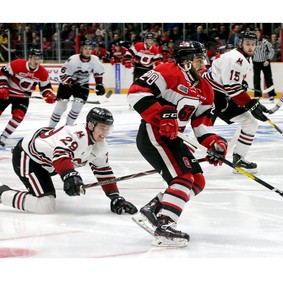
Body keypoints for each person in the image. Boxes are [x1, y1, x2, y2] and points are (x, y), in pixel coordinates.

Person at [128, 41, 228, 247]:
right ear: (185, 62)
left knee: (197, 180)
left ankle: (153, 210)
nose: (204, 65)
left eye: (205, 59)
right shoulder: (168, 72)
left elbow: (202, 126)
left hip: (175, 138)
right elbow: (136, 92)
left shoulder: (205, 90)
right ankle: (165, 226)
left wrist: (215, 143)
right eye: (199, 60)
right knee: (183, 178)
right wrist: (161, 115)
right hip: (153, 134)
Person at [0, 107, 137, 215]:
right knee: (44, 205)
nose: (105, 133)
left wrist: (115, 197)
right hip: (29, 158)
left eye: (108, 128)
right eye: (102, 128)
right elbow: (61, 156)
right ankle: (2, 193)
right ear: (90, 125)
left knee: (46, 199)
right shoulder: (77, 134)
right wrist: (70, 175)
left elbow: (103, 170)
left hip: (48, 164)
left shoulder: (101, 145)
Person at [202, 29, 269, 174]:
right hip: (211, 94)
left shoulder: (243, 58)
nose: (251, 47)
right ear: (240, 44)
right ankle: (180, 158)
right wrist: (252, 105)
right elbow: (231, 87)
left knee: (250, 122)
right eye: (247, 44)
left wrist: (248, 98)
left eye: (253, 44)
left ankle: (239, 159)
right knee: (202, 130)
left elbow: (233, 84)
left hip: (223, 95)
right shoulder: (236, 59)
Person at [0, 49, 56, 147]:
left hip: (22, 97)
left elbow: (45, 88)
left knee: (18, 117)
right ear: (29, 58)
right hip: (7, 93)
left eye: (39, 59)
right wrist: (3, 87)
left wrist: (48, 95)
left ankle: (3, 137)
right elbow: (2, 73)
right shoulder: (17, 64)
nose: (36, 61)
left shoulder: (42, 72)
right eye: (35, 58)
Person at [48, 40, 106, 128]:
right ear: (81, 49)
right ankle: (50, 128)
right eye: (85, 48)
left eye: (90, 49)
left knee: (77, 107)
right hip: (66, 86)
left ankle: (67, 128)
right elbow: (63, 75)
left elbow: (98, 74)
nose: (88, 51)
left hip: (83, 86)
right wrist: (71, 82)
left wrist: (99, 85)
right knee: (61, 106)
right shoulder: (73, 60)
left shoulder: (95, 60)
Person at [252, 29, 277, 101]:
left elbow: (272, 51)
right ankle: (257, 95)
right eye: (255, 33)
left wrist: (268, 60)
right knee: (256, 79)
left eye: (258, 33)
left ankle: (271, 94)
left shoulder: (265, 42)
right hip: (256, 62)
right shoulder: (252, 42)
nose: (257, 34)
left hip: (265, 62)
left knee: (268, 78)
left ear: (260, 34)